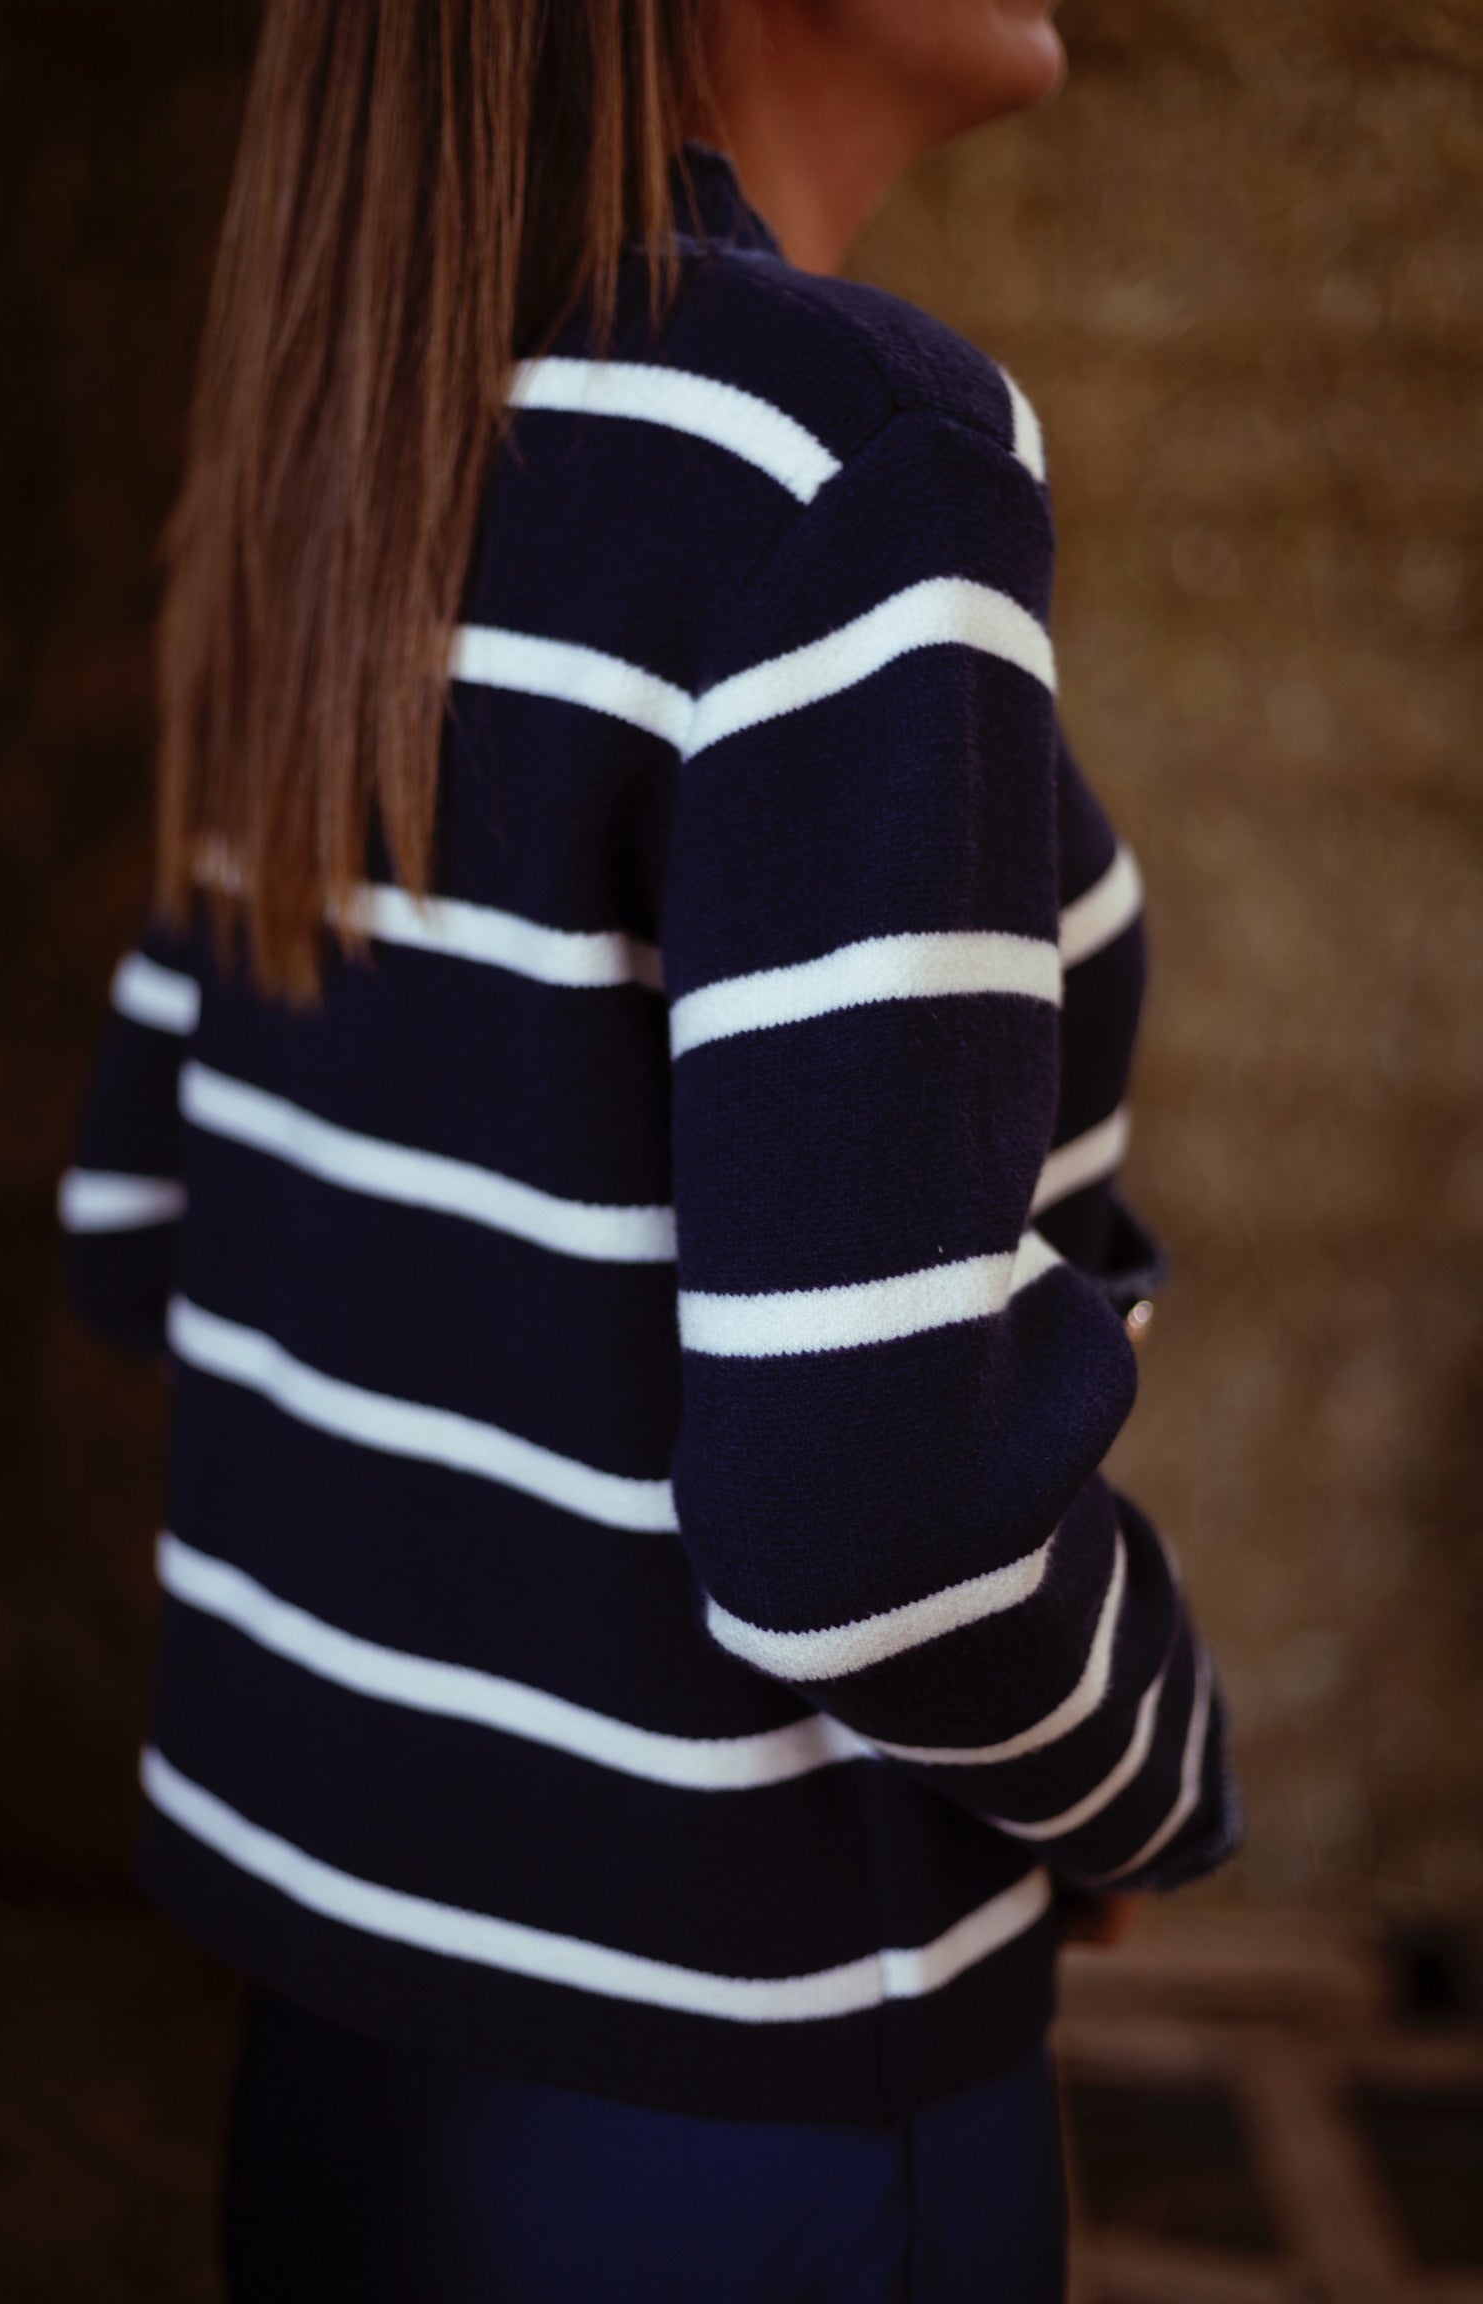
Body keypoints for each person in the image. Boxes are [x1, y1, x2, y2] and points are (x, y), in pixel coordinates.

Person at [60, 0, 1240, 2295]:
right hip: (749, 2109)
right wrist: (1143, 1762)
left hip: (331, 2032)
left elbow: (141, 1220)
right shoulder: (853, 455)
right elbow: (875, 1532)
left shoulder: (350, 432)